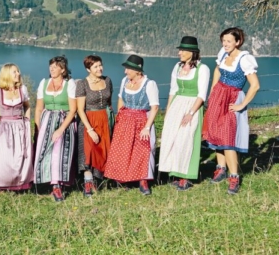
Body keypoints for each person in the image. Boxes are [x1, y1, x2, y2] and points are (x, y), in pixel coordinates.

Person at [204, 27, 260, 195]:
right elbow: (217, 70)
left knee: (228, 138)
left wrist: (241, 105)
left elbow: (255, 85)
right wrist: (213, 91)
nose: (225, 44)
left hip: (232, 99)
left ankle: (234, 177)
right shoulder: (223, 54)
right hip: (218, 96)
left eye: (229, 41)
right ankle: (221, 169)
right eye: (224, 40)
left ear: (238, 42)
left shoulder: (244, 59)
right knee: (216, 135)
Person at [158, 37, 210, 191]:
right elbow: (173, 90)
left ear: (191, 52)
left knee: (186, 139)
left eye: (182, 50)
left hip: (192, 105)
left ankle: (187, 176)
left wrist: (191, 113)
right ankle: (175, 172)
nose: (179, 52)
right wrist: (168, 111)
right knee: (172, 138)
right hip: (177, 105)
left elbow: (202, 95)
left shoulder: (202, 69)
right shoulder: (177, 67)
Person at [104, 54, 159, 195]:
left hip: (142, 120)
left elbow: (154, 107)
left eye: (128, 69)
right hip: (125, 120)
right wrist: (119, 116)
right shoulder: (125, 81)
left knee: (143, 150)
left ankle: (143, 180)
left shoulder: (149, 84)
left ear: (138, 70)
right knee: (124, 149)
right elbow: (121, 99)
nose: (125, 71)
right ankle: (124, 179)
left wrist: (147, 127)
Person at [0, 63, 33, 191]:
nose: (18, 74)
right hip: (3, 126)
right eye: (15, 72)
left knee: (20, 156)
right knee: (3, 158)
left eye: (18, 71)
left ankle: (20, 183)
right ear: (7, 75)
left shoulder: (22, 90)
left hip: (20, 126)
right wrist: (1, 127)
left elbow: (27, 106)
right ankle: (3, 183)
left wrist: (26, 121)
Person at [33, 55, 77, 202]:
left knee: (58, 153)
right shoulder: (44, 83)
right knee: (44, 153)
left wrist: (61, 129)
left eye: (55, 66)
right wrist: (39, 128)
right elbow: (39, 108)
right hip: (46, 121)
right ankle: (45, 182)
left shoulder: (69, 84)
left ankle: (57, 186)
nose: (51, 69)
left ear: (63, 69)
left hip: (64, 122)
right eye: (50, 66)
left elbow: (72, 110)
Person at [76, 55, 114, 197]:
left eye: (100, 65)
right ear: (88, 69)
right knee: (89, 152)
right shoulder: (82, 84)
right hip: (88, 121)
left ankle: (97, 182)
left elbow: (109, 102)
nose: (99, 68)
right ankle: (87, 183)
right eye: (95, 66)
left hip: (104, 119)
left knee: (101, 151)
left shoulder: (107, 80)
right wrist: (90, 129)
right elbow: (80, 109)